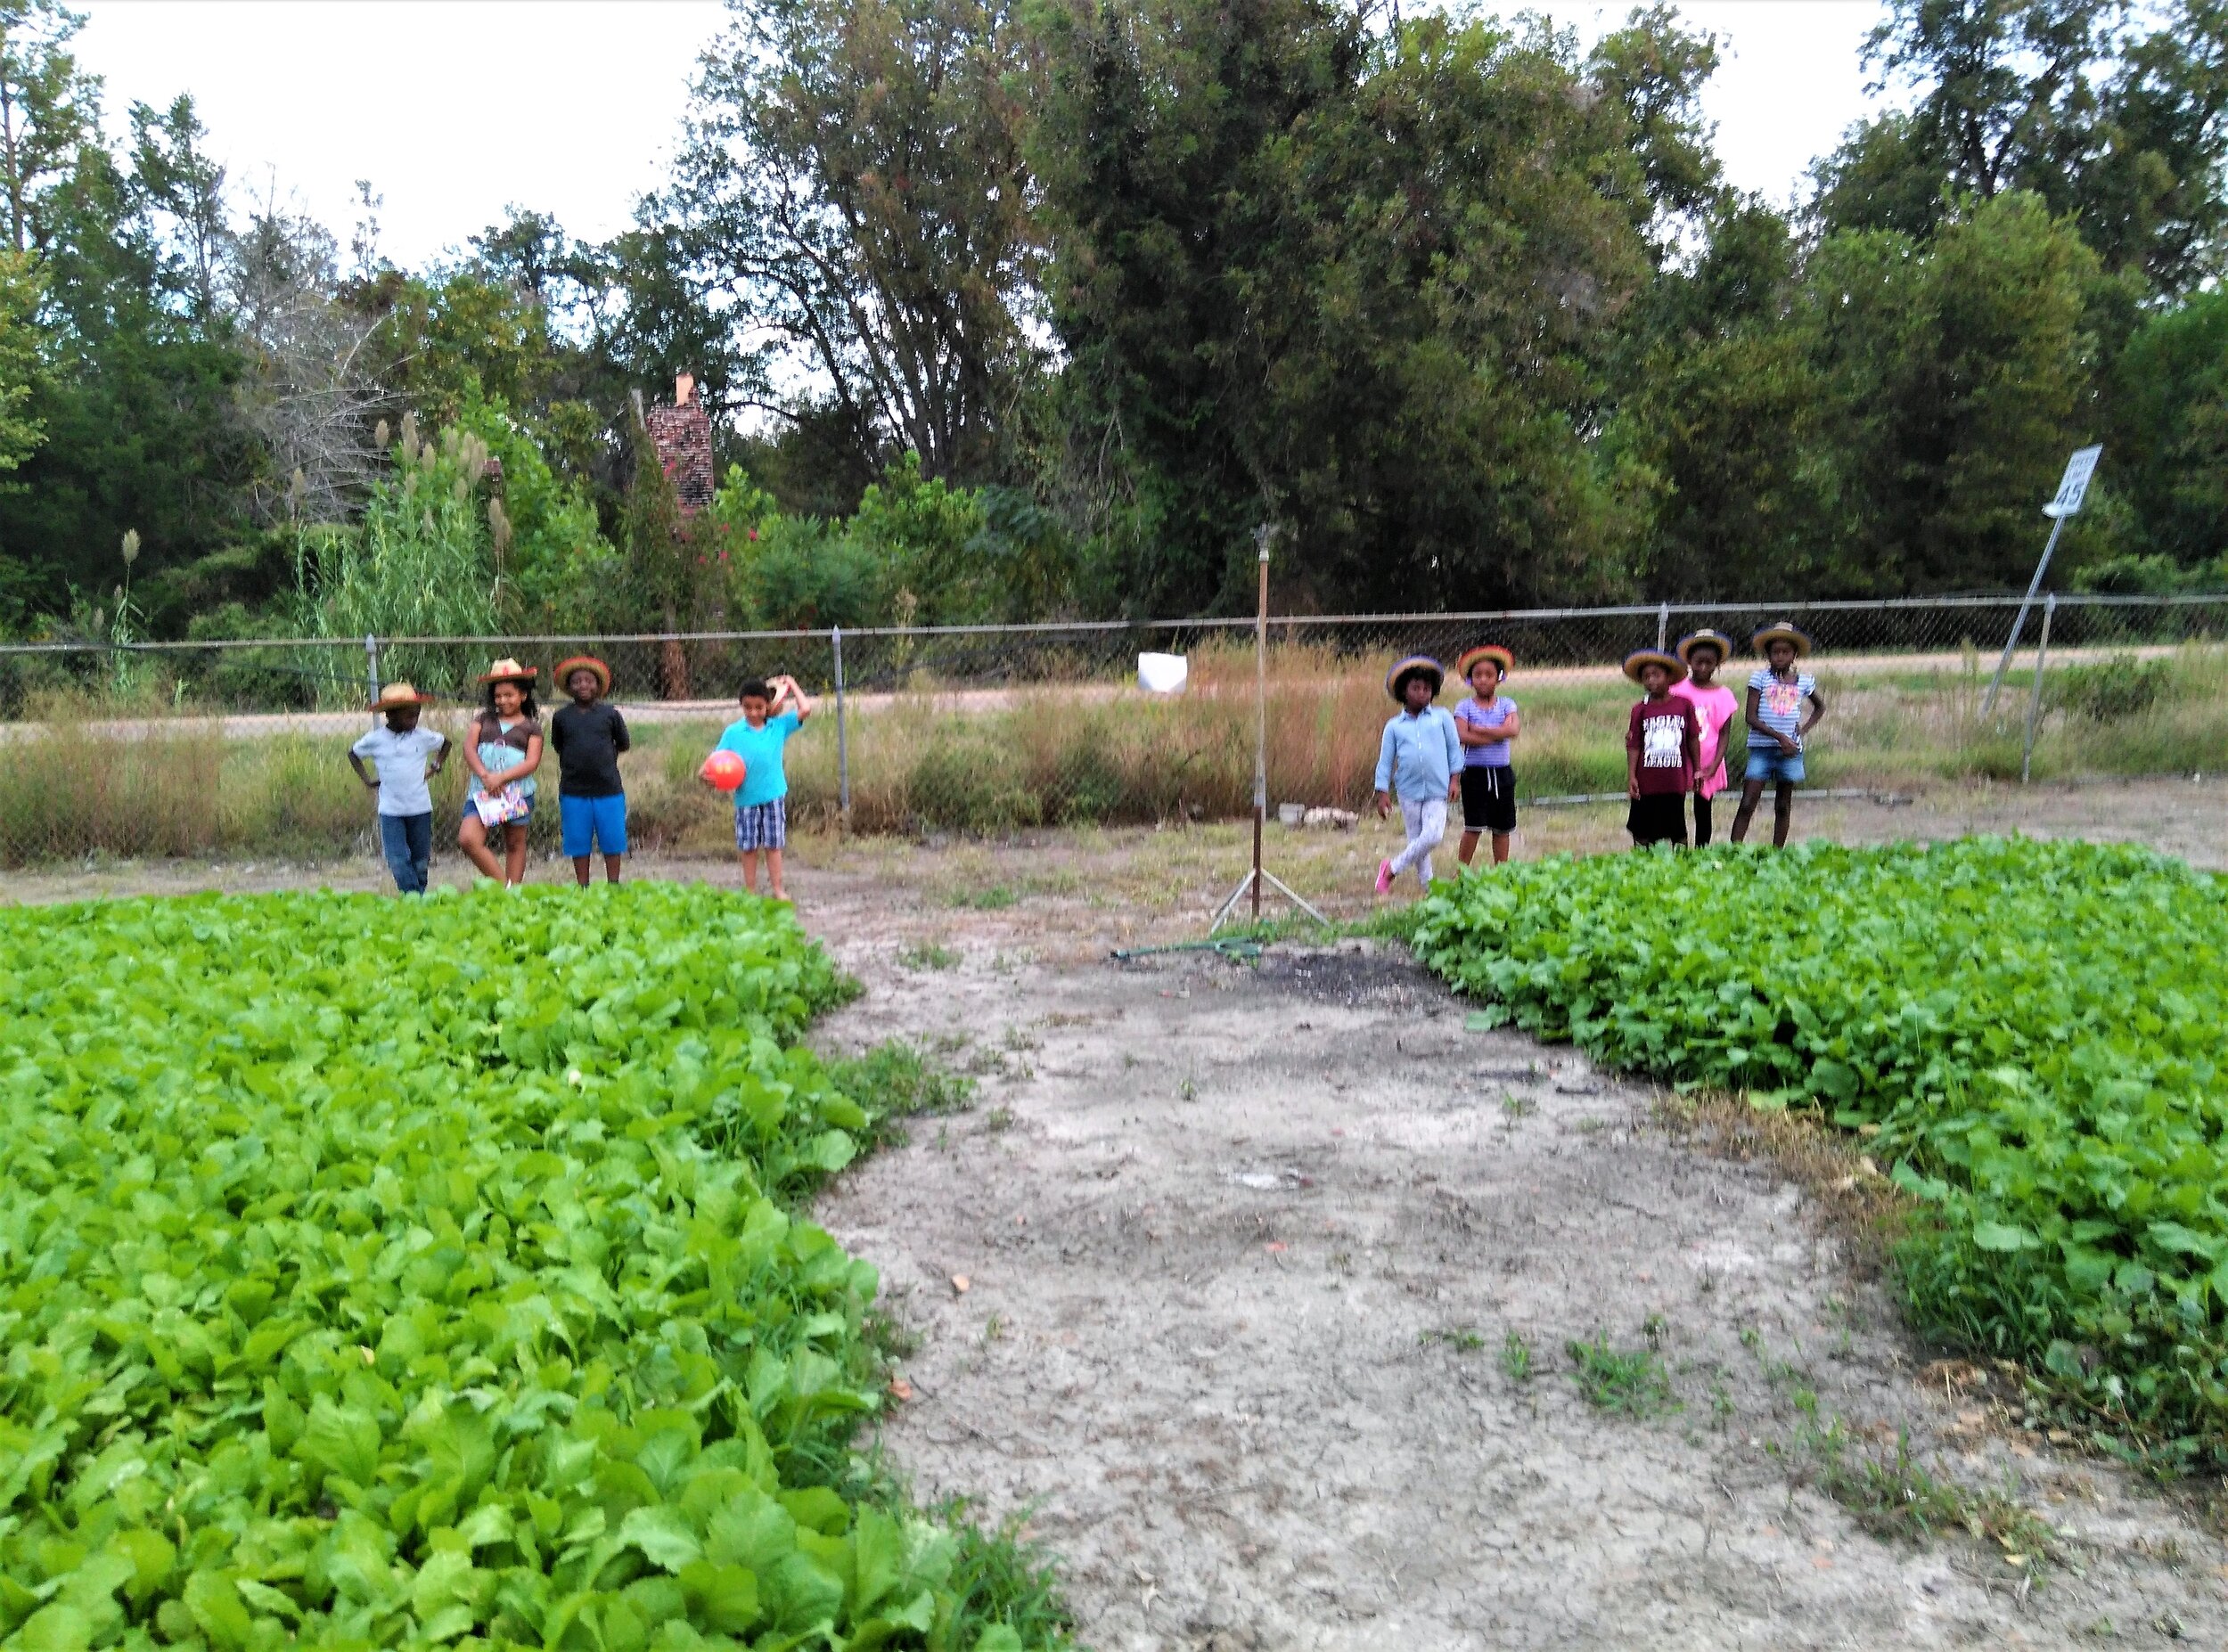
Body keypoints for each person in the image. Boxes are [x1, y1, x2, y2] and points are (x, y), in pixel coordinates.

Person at [709, 674, 813, 898]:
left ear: (769, 705)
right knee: (749, 847)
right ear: (741, 706)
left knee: (773, 845)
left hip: (773, 796)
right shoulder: (733, 733)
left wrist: (792, 683)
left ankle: (777, 888)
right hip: (746, 800)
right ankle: (750, 891)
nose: (753, 712)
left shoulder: (779, 726)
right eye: (748, 707)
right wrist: (705, 776)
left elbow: (806, 709)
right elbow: (713, 762)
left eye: (759, 707)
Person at [1731, 621, 1826, 848]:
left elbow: (1820, 707)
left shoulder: (1804, 681)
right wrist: (1779, 737)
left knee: (1783, 805)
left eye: (1786, 652)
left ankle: (1778, 853)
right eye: (1775, 652)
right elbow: (1751, 718)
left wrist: (1801, 731)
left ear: (1794, 655)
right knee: (1747, 802)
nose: (1780, 657)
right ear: (1768, 655)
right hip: (1762, 750)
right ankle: (1733, 851)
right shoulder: (1759, 679)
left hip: (1790, 752)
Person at [1372, 654, 1462, 894]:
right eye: (1416, 688)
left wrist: (1455, 779)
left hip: (1438, 789)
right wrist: (1382, 792)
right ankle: (1429, 890)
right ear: (1404, 691)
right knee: (1417, 841)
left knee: (1432, 836)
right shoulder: (1394, 726)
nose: (1422, 693)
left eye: (1427, 689)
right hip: (1408, 791)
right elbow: (1385, 761)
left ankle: (1391, 868)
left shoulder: (1442, 717)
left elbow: (1454, 749)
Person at [348, 682, 449, 894]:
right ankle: (413, 896)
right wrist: (367, 779)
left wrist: (436, 765)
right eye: (409, 716)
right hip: (391, 811)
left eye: (417, 715)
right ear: (390, 715)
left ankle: (418, 898)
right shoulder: (376, 740)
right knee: (397, 859)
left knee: (421, 860)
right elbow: (354, 754)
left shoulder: (422, 737)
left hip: (420, 808)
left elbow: (445, 744)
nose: (415, 720)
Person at [458, 658, 543, 887]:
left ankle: (513, 893)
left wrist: (501, 778)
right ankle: (504, 887)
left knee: (515, 843)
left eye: (509, 695)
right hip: (482, 792)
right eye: (498, 696)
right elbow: (469, 748)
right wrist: (486, 777)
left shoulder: (531, 727)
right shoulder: (483, 720)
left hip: (516, 792)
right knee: (469, 839)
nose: (502, 700)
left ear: (523, 696)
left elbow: (532, 762)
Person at [551, 655, 630, 887]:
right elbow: (559, 745)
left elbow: (623, 744)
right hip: (573, 791)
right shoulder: (561, 717)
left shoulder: (610, 715)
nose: (583, 685)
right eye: (577, 681)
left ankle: (613, 885)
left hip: (609, 789)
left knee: (613, 840)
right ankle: (582, 886)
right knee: (578, 841)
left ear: (598, 686)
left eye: (589, 681)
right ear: (569, 687)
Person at [1452, 644, 1519, 868]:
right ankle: (1462, 871)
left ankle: (1502, 870)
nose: (1483, 680)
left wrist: (1479, 729)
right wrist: (1498, 734)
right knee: (1473, 826)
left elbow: (1513, 731)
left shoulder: (1507, 704)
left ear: (1498, 678)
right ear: (1470, 679)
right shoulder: (1464, 707)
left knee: (1502, 827)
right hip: (1475, 774)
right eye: (1477, 675)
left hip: (1502, 773)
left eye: (1489, 675)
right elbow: (1461, 736)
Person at [1624, 649, 1700, 849]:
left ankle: (1681, 862)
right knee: (1642, 829)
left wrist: (1697, 769)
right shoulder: (1640, 710)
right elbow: (1634, 744)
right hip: (1647, 781)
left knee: (1677, 828)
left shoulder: (1684, 705)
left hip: (1674, 780)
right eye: (1646, 677)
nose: (1651, 681)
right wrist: (1632, 775)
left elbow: (1692, 738)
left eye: (1656, 675)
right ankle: (1645, 863)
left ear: (1669, 677)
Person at [1669, 630, 1739, 846]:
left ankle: (1701, 851)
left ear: (1717, 663)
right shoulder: (1676, 690)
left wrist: (1715, 765)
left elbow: (1724, 733)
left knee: (1703, 809)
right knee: (1675, 806)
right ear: (1689, 661)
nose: (1703, 668)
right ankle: (1679, 849)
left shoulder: (1723, 695)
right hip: (1680, 759)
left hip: (1709, 761)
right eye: (1698, 662)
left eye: (1709, 663)